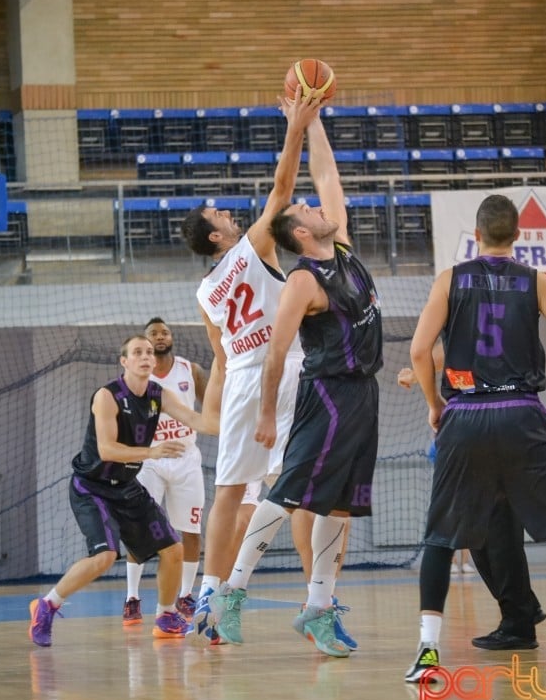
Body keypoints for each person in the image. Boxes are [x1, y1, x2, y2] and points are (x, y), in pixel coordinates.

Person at [208, 107, 382, 658]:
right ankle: (231, 592)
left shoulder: (345, 251)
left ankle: (318, 607)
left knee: (337, 508)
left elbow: (327, 176)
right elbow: (277, 351)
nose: (315, 202)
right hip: (326, 395)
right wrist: (264, 414)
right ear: (302, 233)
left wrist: (315, 121)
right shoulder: (303, 279)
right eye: (308, 207)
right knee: (284, 496)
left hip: (363, 394)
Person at [405, 194, 546, 682]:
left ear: (477, 235)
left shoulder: (451, 279)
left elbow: (420, 350)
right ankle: (519, 618)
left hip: (466, 417)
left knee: (447, 533)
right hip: (523, 415)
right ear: (518, 236)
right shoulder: (536, 281)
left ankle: (429, 648)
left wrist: (434, 404)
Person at [180, 86, 321, 643]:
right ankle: (316, 600)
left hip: (240, 377)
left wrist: (214, 407)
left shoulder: (204, 291)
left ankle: (209, 595)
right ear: (217, 235)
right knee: (303, 489)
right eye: (218, 212)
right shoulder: (252, 247)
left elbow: (218, 355)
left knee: (229, 493)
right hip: (281, 370)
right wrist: (296, 127)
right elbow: (283, 188)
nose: (226, 211)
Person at [28, 334, 216, 648]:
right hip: (92, 488)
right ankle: (46, 605)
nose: (145, 356)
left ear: (154, 363)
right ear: (124, 362)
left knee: (173, 550)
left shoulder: (159, 394)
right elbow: (107, 449)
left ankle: (166, 615)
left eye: (148, 353)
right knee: (104, 557)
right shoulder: (107, 396)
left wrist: (240, 423)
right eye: (137, 352)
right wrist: (152, 453)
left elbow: (197, 419)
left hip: (127, 487)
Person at [399, 349, 546, 649]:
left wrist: (420, 376)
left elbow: (432, 350)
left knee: (497, 527)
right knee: (486, 530)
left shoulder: (463, 306)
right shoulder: (510, 307)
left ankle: (520, 616)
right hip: (506, 421)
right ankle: (521, 609)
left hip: (488, 421)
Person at [123, 317, 209, 625]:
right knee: (140, 527)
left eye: (165, 332)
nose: (160, 337)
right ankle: (132, 597)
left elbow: (211, 407)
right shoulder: (136, 377)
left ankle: (185, 594)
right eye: (153, 334)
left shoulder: (190, 370)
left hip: (186, 458)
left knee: (191, 530)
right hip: (151, 460)